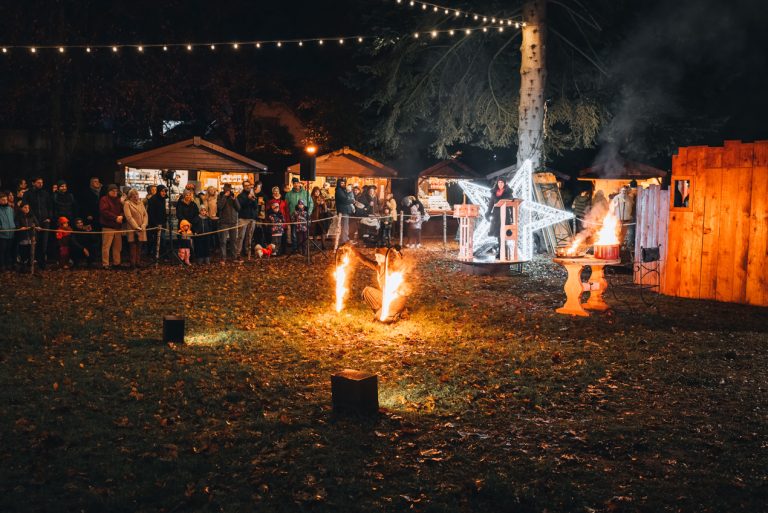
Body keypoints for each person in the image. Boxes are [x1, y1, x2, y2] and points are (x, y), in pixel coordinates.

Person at [349, 245, 408, 323]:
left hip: (396, 299)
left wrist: (396, 251)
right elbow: (365, 260)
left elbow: (401, 261)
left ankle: (398, 313)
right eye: (376, 256)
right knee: (367, 291)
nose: (376, 259)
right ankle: (384, 311)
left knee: (381, 319)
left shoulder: (392, 265)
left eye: (379, 257)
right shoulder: (378, 266)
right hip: (385, 297)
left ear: (385, 257)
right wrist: (352, 249)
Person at [24, 177, 52, 268]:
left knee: (44, 243)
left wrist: (49, 217)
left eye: (42, 182)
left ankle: (42, 263)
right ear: (33, 183)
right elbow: (26, 207)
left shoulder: (45, 194)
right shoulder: (28, 194)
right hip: (33, 221)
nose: (40, 184)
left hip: (45, 221)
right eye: (38, 182)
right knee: (33, 242)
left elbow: (49, 206)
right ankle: (31, 262)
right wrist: (33, 219)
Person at [487, 178, 515, 259]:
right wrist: (488, 213)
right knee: (499, 235)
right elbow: (491, 204)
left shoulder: (508, 192)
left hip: (505, 215)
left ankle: (505, 252)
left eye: (502, 182)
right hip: (496, 216)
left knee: (504, 234)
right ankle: (501, 252)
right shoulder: (494, 192)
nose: (500, 184)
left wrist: (512, 216)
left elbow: (511, 204)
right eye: (499, 182)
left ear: (504, 183)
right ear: (497, 183)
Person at [285, 177, 313, 254]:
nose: (296, 184)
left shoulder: (306, 193)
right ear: (292, 184)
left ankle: (304, 250)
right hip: (294, 217)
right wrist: (289, 215)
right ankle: (295, 249)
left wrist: (309, 213)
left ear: (299, 183)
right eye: (294, 183)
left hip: (304, 217)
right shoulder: (288, 194)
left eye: (297, 183)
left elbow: (311, 203)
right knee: (294, 234)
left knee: (304, 235)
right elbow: (286, 206)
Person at [99, 184, 124, 269]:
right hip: (108, 226)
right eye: (113, 191)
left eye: (116, 191)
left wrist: (121, 216)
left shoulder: (118, 200)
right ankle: (105, 264)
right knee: (106, 246)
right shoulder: (104, 199)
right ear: (108, 192)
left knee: (117, 246)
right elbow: (104, 211)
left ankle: (117, 263)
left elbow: (121, 210)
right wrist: (115, 217)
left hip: (117, 226)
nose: (115, 192)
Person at [123, 188, 149, 268]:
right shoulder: (127, 204)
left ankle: (138, 262)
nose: (136, 197)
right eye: (134, 196)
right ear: (130, 197)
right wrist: (136, 227)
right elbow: (129, 217)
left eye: (137, 195)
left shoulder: (141, 203)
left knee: (139, 246)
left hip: (141, 228)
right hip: (132, 229)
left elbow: (145, 215)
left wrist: (144, 225)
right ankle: (133, 263)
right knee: (133, 246)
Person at [217, 183, 241, 264]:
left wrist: (235, 200)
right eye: (226, 189)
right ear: (224, 189)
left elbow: (238, 208)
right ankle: (223, 258)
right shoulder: (220, 196)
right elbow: (220, 207)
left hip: (233, 221)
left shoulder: (233, 196)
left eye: (229, 189)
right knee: (223, 241)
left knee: (233, 240)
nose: (228, 190)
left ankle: (234, 257)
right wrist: (224, 197)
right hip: (224, 222)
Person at [236, 179, 258, 259]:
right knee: (241, 236)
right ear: (243, 187)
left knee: (250, 236)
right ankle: (238, 253)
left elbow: (256, 207)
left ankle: (247, 252)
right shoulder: (240, 196)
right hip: (243, 218)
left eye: (249, 185)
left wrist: (253, 200)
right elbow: (241, 206)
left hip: (252, 219)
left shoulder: (253, 195)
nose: (248, 187)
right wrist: (248, 199)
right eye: (246, 186)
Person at [266, 186, 290, 255]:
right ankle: (274, 251)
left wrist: (287, 222)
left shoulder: (283, 202)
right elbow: (267, 211)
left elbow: (287, 212)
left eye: (277, 191)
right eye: (275, 191)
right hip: (274, 222)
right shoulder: (270, 202)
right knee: (275, 238)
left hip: (282, 221)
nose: (276, 192)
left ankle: (282, 251)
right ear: (273, 192)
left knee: (283, 237)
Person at [15, 202, 38, 271]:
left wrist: (36, 226)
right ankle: (23, 268)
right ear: (21, 208)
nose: (27, 209)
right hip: (23, 237)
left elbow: (36, 223)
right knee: (23, 253)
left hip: (31, 237)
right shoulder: (18, 216)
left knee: (30, 253)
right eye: (25, 207)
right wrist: (20, 228)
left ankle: (30, 268)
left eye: (28, 207)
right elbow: (17, 225)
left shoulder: (32, 215)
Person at [334, 178, 355, 245]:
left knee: (345, 226)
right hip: (343, 211)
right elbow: (344, 200)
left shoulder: (342, 190)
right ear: (339, 184)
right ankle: (344, 240)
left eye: (344, 183)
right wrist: (352, 201)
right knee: (344, 226)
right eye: (341, 183)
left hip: (345, 210)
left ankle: (345, 239)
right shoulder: (339, 191)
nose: (343, 184)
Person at [0, 192, 16, 270]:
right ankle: (2, 265)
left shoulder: (10, 209)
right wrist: (2, 228)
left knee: (9, 250)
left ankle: (8, 264)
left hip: (11, 233)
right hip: (2, 234)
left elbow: (12, 219)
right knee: (2, 250)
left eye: (6, 200)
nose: (5, 201)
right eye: (3, 200)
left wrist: (13, 227)